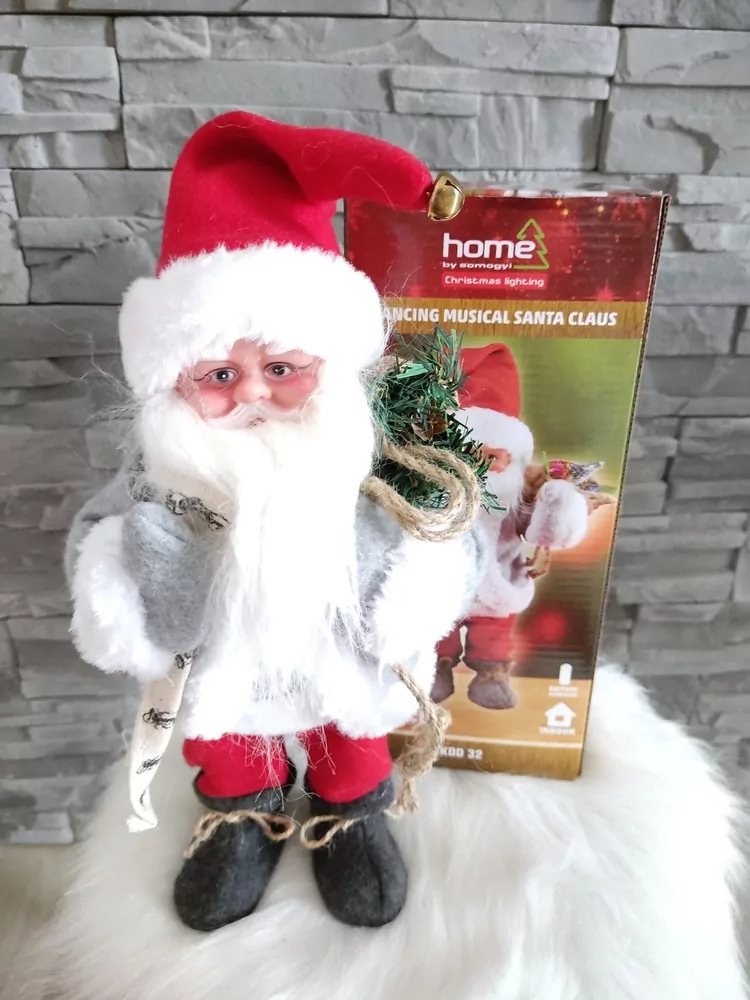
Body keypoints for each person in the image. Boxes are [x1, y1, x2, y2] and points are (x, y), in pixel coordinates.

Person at [64, 112, 485, 933]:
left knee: (347, 734)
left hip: (335, 655)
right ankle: (242, 813)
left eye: (282, 367)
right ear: (173, 380)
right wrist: (122, 577)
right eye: (220, 374)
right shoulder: (160, 472)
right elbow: (99, 538)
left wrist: (411, 582)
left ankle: (347, 813)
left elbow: (439, 536)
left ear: (326, 366)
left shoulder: (369, 457)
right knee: (223, 736)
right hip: (221, 660)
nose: (254, 392)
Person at [432, 344, 589, 710]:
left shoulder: (518, 493)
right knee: (438, 629)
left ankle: (491, 672)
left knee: (494, 635)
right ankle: (436, 667)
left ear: (512, 455)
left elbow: (542, 531)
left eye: (490, 457)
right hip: (443, 587)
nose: (477, 466)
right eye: (466, 454)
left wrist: (556, 506)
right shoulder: (433, 489)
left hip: (501, 584)